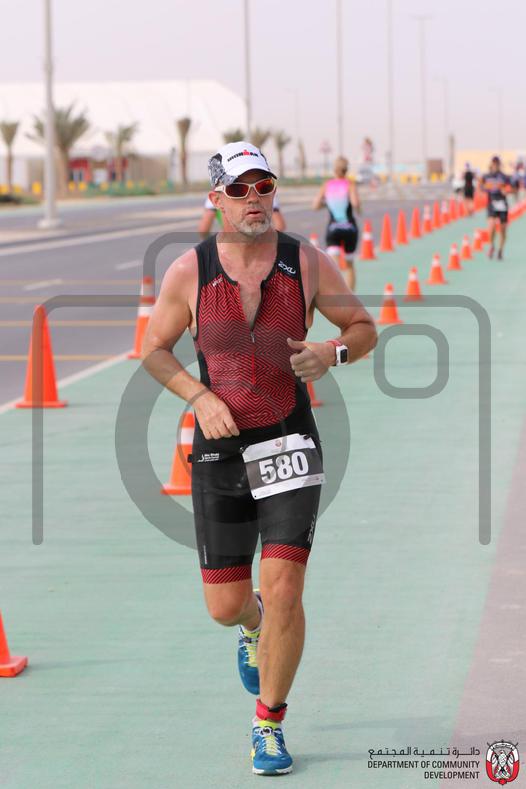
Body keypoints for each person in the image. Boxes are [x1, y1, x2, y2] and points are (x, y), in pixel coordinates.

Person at [141, 140, 377, 776]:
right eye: (240, 189)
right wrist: (198, 395)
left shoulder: (306, 262)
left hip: (289, 442)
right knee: (226, 606)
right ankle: (252, 625)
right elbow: (154, 349)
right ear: (216, 199)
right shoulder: (189, 271)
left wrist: (332, 353)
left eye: (264, 186)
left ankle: (268, 722)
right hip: (219, 452)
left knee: (285, 586)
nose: (255, 199)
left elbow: (363, 328)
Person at [312, 156, 361, 291]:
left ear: (334, 170)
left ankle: (335, 295)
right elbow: (355, 203)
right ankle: (350, 297)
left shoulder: (327, 185)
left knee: (334, 266)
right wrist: (359, 210)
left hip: (333, 229)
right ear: (346, 170)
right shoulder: (350, 184)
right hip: (350, 228)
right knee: (349, 265)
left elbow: (315, 205)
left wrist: (327, 204)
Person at [198, 192, 286, 238]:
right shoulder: (264, 192)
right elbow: (280, 225)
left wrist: (212, 246)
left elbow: (204, 229)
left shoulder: (220, 195)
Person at [480, 155, 511, 260]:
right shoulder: (486, 176)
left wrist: (506, 191)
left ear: (499, 164)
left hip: (502, 204)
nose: (495, 165)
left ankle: (500, 250)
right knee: (491, 226)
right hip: (492, 203)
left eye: (497, 163)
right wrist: (485, 188)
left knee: (503, 229)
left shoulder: (504, 177)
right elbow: (481, 186)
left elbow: (511, 188)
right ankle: (492, 245)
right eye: (494, 163)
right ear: (491, 164)